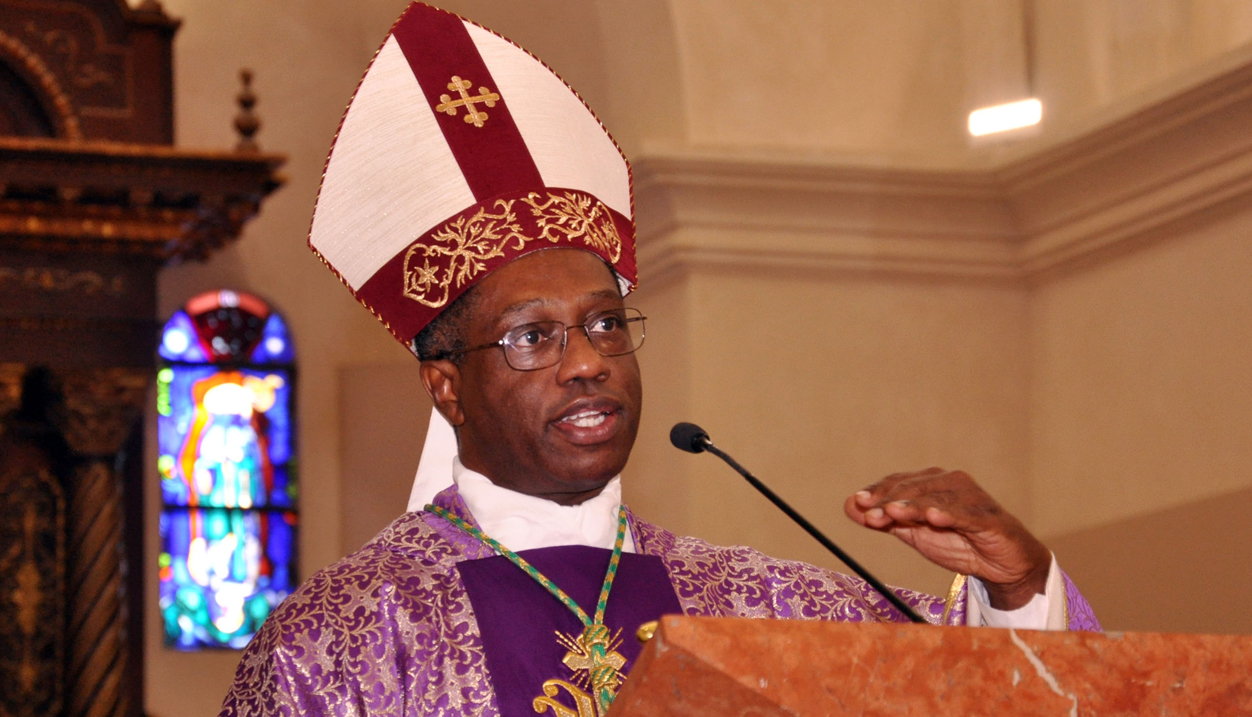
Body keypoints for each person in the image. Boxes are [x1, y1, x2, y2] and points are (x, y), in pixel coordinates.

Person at [221, 4, 1100, 716]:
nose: (587, 362)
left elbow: (988, 697)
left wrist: (1019, 587)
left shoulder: (763, 607)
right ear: (446, 385)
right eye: (535, 336)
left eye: (606, 325)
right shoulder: (340, 638)